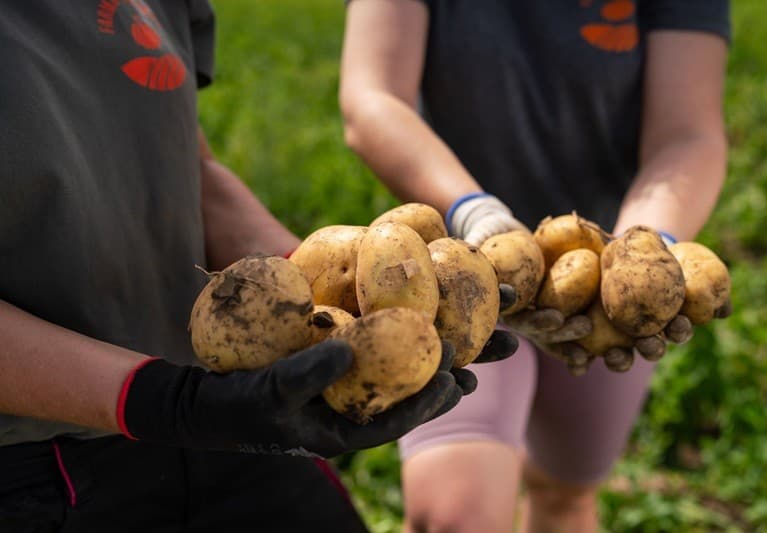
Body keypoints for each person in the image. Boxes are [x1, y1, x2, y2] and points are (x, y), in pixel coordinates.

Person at [0, 2, 518, 532]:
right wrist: (164, 401)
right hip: (38, 467)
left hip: (214, 403)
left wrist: (321, 290)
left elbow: (191, 169)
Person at [339, 0, 730, 531]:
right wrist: (474, 213)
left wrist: (643, 251)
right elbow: (373, 96)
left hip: (604, 287)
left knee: (565, 494)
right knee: (456, 519)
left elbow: (688, 132)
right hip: (451, 269)